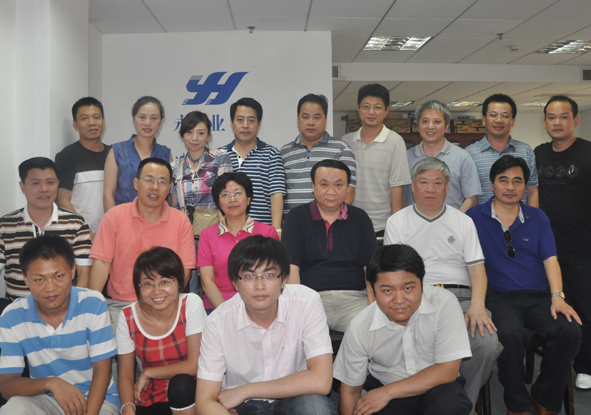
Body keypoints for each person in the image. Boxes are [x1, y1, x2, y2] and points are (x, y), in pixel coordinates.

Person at [384, 157, 501, 414]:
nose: (430, 189)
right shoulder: (397, 221)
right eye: (423, 182)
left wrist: (478, 305)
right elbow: (393, 274)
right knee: (413, 343)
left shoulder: (463, 221)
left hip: (461, 298)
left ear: (447, 187)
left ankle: (463, 405)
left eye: (437, 183)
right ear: (412, 186)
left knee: (486, 343)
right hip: (417, 297)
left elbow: (477, 269)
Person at [466, 155, 581, 415]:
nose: (510, 187)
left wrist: (557, 296)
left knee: (570, 329)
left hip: (539, 295)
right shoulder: (473, 218)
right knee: (507, 334)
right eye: (503, 180)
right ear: (492, 184)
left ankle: (543, 397)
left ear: (525, 186)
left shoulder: (537, 217)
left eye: (517, 181)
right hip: (499, 296)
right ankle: (517, 405)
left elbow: (551, 260)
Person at [195, 235, 336, 415]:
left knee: (316, 409)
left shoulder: (306, 302)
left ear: (284, 279)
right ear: (235, 283)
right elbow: (205, 400)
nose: (259, 286)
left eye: (269, 275)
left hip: (291, 395)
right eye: (249, 276)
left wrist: (246, 390)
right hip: (240, 405)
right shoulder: (217, 322)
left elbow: (322, 381)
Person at [334, 244, 472, 415]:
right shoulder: (360, 326)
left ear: (422, 282)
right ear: (372, 290)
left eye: (408, 288)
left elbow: (448, 371)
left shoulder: (444, 303)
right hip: (385, 390)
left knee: (450, 402)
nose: (399, 300)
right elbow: (350, 392)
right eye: (387, 290)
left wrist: (388, 392)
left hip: (436, 387)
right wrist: (384, 393)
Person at [0, 235, 120, 415]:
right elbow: (7, 385)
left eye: (58, 276)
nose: (50, 288)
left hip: (97, 399)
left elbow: (102, 370)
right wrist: (51, 383)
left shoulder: (93, 304)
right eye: (39, 279)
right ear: (25, 279)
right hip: (46, 398)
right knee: (13, 408)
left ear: (72, 271)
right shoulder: (12, 316)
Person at [86, 158, 195, 331]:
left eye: (162, 182)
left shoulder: (181, 221)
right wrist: (95, 306)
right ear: (136, 183)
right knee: (107, 338)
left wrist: (166, 303)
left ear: (169, 188)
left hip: (165, 304)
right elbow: (101, 263)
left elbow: (185, 269)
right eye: (149, 179)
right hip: (121, 305)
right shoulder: (114, 217)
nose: (155, 187)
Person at [535, 95, 591, 390]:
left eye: (564, 116)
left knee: (584, 309)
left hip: (582, 249)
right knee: (551, 311)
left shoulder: (588, 153)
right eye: (552, 117)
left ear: (575, 120)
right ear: (545, 121)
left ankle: (585, 366)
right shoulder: (538, 154)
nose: (557, 122)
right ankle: (553, 365)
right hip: (545, 251)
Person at [282, 160, 377, 332]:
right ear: (313, 186)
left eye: (338, 185)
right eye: (324, 184)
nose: (331, 192)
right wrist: (297, 309)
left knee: (374, 333)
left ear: (347, 188)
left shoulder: (360, 218)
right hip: (311, 299)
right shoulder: (296, 218)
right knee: (296, 336)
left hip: (355, 300)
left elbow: (370, 268)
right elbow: (292, 268)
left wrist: (373, 308)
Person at [116, 247, 207, 415]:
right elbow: (126, 375)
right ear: (138, 287)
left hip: (192, 394)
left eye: (165, 282)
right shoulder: (128, 316)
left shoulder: (191, 304)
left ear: (179, 282)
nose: (157, 290)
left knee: (181, 384)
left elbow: (195, 365)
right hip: (151, 398)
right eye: (148, 284)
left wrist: (148, 372)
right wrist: (128, 408)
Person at [0, 157, 92, 301]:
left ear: (58, 184)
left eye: (50, 182)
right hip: (17, 308)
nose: (44, 189)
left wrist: (76, 306)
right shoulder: (5, 226)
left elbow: (84, 273)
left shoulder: (76, 224)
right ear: (22, 186)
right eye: (36, 183)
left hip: (64, 307)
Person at [169, 111, 232, 294]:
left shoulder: (220, 157)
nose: (194, 138)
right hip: (187, 236)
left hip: (214, 233)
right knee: (190, 288)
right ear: (182, 135)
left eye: (201, 133)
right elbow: (174, 205)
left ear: (209, 135)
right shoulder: (176, 167)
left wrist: (225, 231)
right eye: (189, 132)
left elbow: (226, 195)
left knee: (214, 286)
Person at [198, 172, 278, 312]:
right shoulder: (207, 235)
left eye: (238, 193)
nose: (232, 199)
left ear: (248, 199)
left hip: (259, 304)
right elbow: (207, 281)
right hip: (218, 307)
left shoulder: (268, 232)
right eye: (225, 195)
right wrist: (227, 313)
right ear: (219, 202)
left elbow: (274, 276)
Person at [341, 83, 411, 235]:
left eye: (377, 107)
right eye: (366, 107)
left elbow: (396, 188)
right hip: (350, 223)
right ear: (358, 108)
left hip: (382, 225)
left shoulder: (395, 142)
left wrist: (395, 227)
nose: (371, 112)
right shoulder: (346, 142)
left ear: (386, 111)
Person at [281, 93, 357, 215]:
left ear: (325, 119)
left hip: (328, 223)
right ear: (298, 118)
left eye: (316, 117)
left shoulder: (342, 150)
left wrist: (337, 222)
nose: (311, 122)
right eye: (305, 117)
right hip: (292, 223)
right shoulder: (284, 152)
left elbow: (349, 192)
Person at [219, 98, 285, 230]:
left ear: (259, 123)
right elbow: (218, 196)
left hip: (263, 233)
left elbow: (276, 195)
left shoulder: (271, 154)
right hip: (230, 232)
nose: (245, 125)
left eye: (251, 120)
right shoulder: (220, 155)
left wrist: (276, 230)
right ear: (232, 122)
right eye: (240, 120)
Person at [404, 100, 481, 212]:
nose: (430, 126)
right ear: (418, 126)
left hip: (453, 221)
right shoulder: (406, 157)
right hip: (415, 222)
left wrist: (456, 219)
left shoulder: (462, 157)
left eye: (437, 121)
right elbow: (403, 196)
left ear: (446, 126)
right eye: (425, 121)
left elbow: (472, 198)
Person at [466, 93, 538, 206]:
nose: (499, 120)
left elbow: (532, 191)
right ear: (484, 120)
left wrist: (533, 216)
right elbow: (467, 195)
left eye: (505, 116)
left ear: (512, 121)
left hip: (519, 217)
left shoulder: (526, 151)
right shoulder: (470, 153)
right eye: (493, 115)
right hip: (481, 217)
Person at [103, 96, 172, 212]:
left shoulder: (165, 153)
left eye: (154, 118)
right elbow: (108, 194)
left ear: (160, 121)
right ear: (133, 118)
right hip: (124, 219)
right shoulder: (117, 151)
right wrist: (114, 221)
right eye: (142, 117)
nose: (147, 123)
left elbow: (170, 194)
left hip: (159, 219)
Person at [55, 97, 111, 235]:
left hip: (111, 234)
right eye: (84, 118)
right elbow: (63, 201)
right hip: (79, 237)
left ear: (103, 122)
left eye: (96, 117)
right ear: (75, 125)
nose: (92, 123)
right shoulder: (67, 156)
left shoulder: (114, 154)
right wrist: (88, 234)